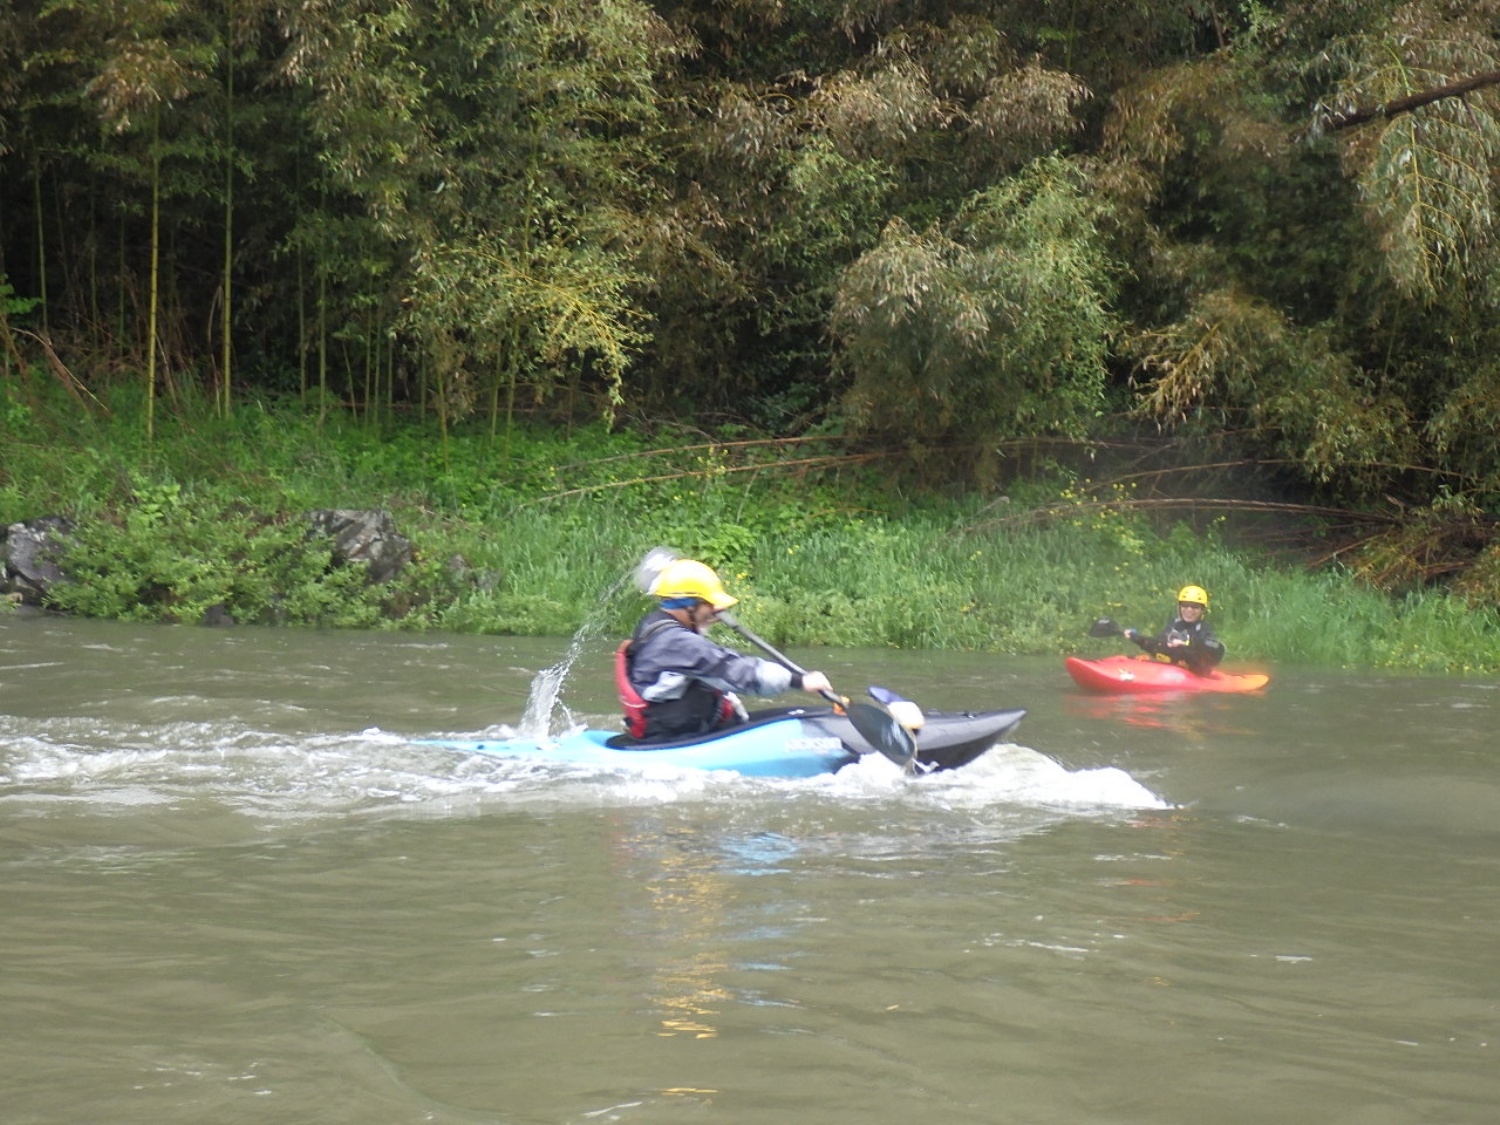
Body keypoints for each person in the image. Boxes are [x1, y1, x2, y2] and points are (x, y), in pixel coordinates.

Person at [616, 558, 833, 740]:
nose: (717, 610)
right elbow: (736, 671)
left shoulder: (655, 624)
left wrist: (706, 612)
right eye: (710, 604)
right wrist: (798, 681)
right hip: (678, 740)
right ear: (689, 605)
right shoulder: (677, 643)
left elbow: (713, 660)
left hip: (688, 730)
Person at [1123, 585, 1226, 674]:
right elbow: (1158, 645)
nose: (1189, 610)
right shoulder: (1174, 624)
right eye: (1185, 605)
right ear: (1180, 607)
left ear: (1202, 610)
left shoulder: (1205, 629)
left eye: (1195, 607)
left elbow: (1208, 655)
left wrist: (1184, 645)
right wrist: (1137, 638)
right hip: (1173, 670)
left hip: (1195, 672)